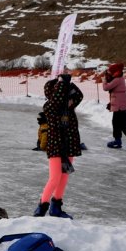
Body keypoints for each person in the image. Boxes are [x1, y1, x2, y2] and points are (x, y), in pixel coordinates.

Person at [34, 74, 83, 219]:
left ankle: (56, 207)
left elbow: (79, 95)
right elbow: (56, 101)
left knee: (64, 176)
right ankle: (41, 207)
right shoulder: (49, 106)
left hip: (69, 145)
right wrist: (61, 84)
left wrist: (68, 84)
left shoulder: (69, 107)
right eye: (60, 91)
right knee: (54, 177)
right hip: (56, 146)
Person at [103, 62, 126, 151]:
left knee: (122, 124)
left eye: (111, 71)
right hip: (118, 104)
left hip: (120, 105)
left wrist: (104, 80)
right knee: (116, 122)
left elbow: (106, 88)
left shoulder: (118, 79)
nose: (110, 73)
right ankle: (117, 140)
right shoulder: (117, 78)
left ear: (115, 71)